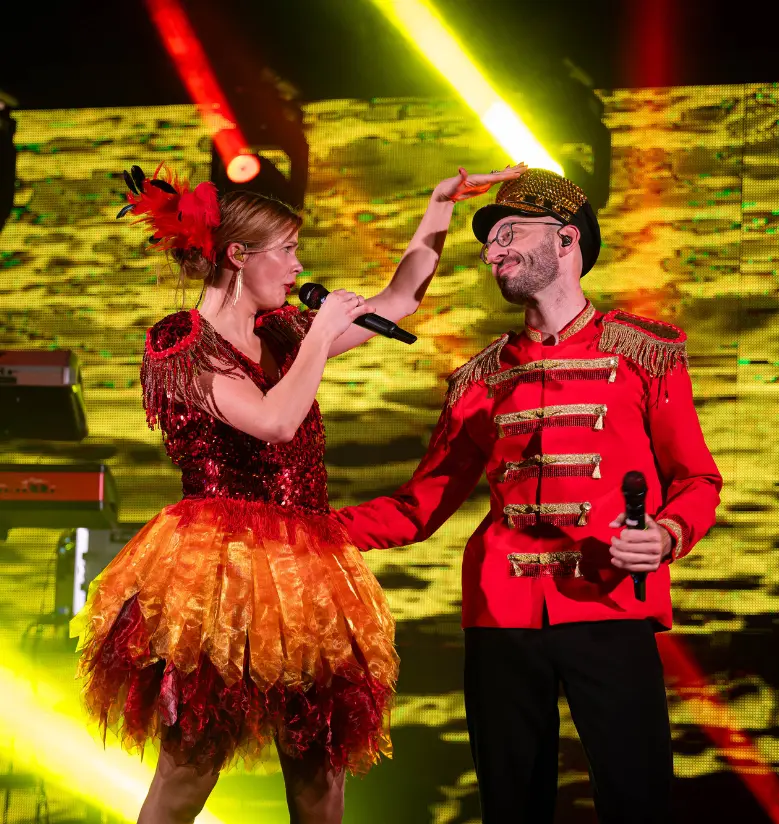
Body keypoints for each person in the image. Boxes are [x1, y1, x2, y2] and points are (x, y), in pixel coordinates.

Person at [69, 161, 525, 824]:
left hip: (303, 567)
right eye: (285, 250)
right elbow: (274, 419)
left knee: (321, 764)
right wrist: (317, 332)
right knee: (190, 766)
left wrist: (439, 205)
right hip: (219, 569)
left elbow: (399, 301)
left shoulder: (280, 331)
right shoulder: (183, 345)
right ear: (237, 255)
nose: (295, 265)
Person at [334, 168, 723, 823]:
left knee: (638, 803)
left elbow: (696, 480)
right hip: (502, 620)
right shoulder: (480, 379)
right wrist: (306, 526)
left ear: (567, 240)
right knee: (511, 810)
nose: (492, 254)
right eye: (488, 243)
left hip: (610, 610)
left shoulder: (644, 354)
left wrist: (663, 536)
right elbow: (418, 508)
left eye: (509, 234)